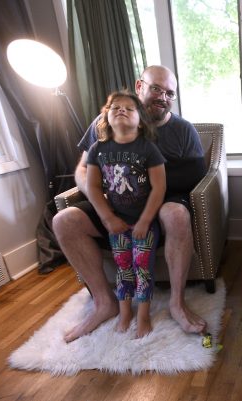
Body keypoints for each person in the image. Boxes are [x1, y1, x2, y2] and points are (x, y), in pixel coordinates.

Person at [53, 65, 208, 343]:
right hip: (114, 201)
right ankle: (104, 302)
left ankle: (177, 302)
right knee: (63, 221)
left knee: (176, 214)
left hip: (160, 203)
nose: (162, 97)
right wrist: (101, 204)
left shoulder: (182, 130)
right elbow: (83, 170)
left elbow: (195, 173)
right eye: (156, 89)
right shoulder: (107, 122)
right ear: (139, 86)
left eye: (169, 93)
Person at [86, 91, 165, 338]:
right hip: (117, 223)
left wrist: (145, 220)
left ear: (140, 120)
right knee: (123, 267)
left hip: (144, 223)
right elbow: (93, 187)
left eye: (129, 108)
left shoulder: (148, 149)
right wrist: (108, 218)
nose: (122, 110)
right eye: (115, 108)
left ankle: (143, 315)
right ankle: (124, 312)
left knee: (142, 268)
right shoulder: (98, 149)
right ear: (107, 118)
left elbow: (159, 188)